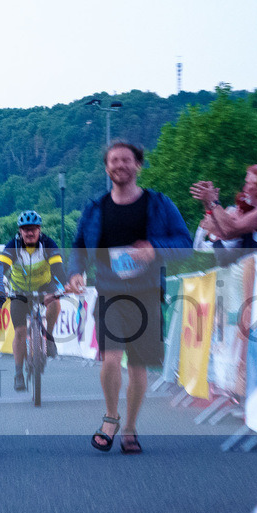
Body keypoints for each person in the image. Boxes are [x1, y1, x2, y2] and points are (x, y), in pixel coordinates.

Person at [67, 141, 192, 454]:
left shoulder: (159, 204)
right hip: (110, 292)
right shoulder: (96, 208)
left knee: (138, 366)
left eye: (126, 160)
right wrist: (75, 273)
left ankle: (131, 427)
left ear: (138, 165)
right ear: (107, 167)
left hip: (147, 294)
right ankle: (111, 417)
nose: (119, 165)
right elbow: (79, 245)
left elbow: (185, 245)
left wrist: (154, 249)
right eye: (113, 161)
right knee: (110, 358)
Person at [0, 210, 66, 391]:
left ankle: (49, 337)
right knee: (20, 332)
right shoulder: (13, 245)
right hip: (19, 290)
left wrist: (64, 286)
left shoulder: (48, 244)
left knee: (55, 302)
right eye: (25, 229)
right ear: (20, 231)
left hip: (45, 286)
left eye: (33, 229)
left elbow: (58, 269)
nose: (29, 233)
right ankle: (18, 373)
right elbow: (1, 269)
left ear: (39, 230)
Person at [189, 165, 257, 264]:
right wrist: (207, 202)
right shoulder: (252, 210)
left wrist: (213, 201)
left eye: (248, 183)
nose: (244, 189)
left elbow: (230, 230)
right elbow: (223, 233)